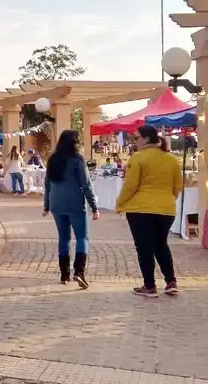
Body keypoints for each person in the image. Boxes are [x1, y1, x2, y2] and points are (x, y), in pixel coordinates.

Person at [115, 125, 182, 298]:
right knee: (161, 245)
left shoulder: (138, 158)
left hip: (141, 209)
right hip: (166, 209)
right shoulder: (171, 159)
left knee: (144, 247)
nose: (134, 141)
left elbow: (130, 185)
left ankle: (150, 286)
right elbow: (177, 186)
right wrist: (167, 199)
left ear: (146, 138)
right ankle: (171, 281)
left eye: (136, 138)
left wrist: (120, 204)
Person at [42, 130, 100, 288]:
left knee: (63, 238)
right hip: (74, 203)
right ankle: (79, 272)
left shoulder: (52, 160)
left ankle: (64, 274)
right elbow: (86, 185)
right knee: (82, 237)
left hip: (56, 203)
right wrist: (94, 207)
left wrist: (46, 205)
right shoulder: (77, 160)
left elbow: (47, 184)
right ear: (75, 142)